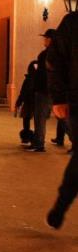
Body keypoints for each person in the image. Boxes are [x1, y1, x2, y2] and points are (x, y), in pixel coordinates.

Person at [46, 15, 78, 229]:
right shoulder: (73, 23)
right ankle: (62, 204)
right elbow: (54, 60)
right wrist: (59, 98)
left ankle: (61, 205)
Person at [28, 30, 55, 152]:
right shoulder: (55, 54)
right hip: (49, 89)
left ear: (50, 40)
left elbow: (45, 72)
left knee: (40, 117)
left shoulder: (47, 54)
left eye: (46, 38)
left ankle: (39, 143)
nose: (44, 40)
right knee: (61, 118)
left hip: (44, 90)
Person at [15, 61, 38, 146]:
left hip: (30, 102)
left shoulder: (29, 80)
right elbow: (23, 92)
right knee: (36, 121)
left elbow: (23, 92)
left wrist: (19, 102)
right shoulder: (38, 80)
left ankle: (28, 137)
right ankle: (34, 138)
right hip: (35, 102)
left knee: (27, 119)